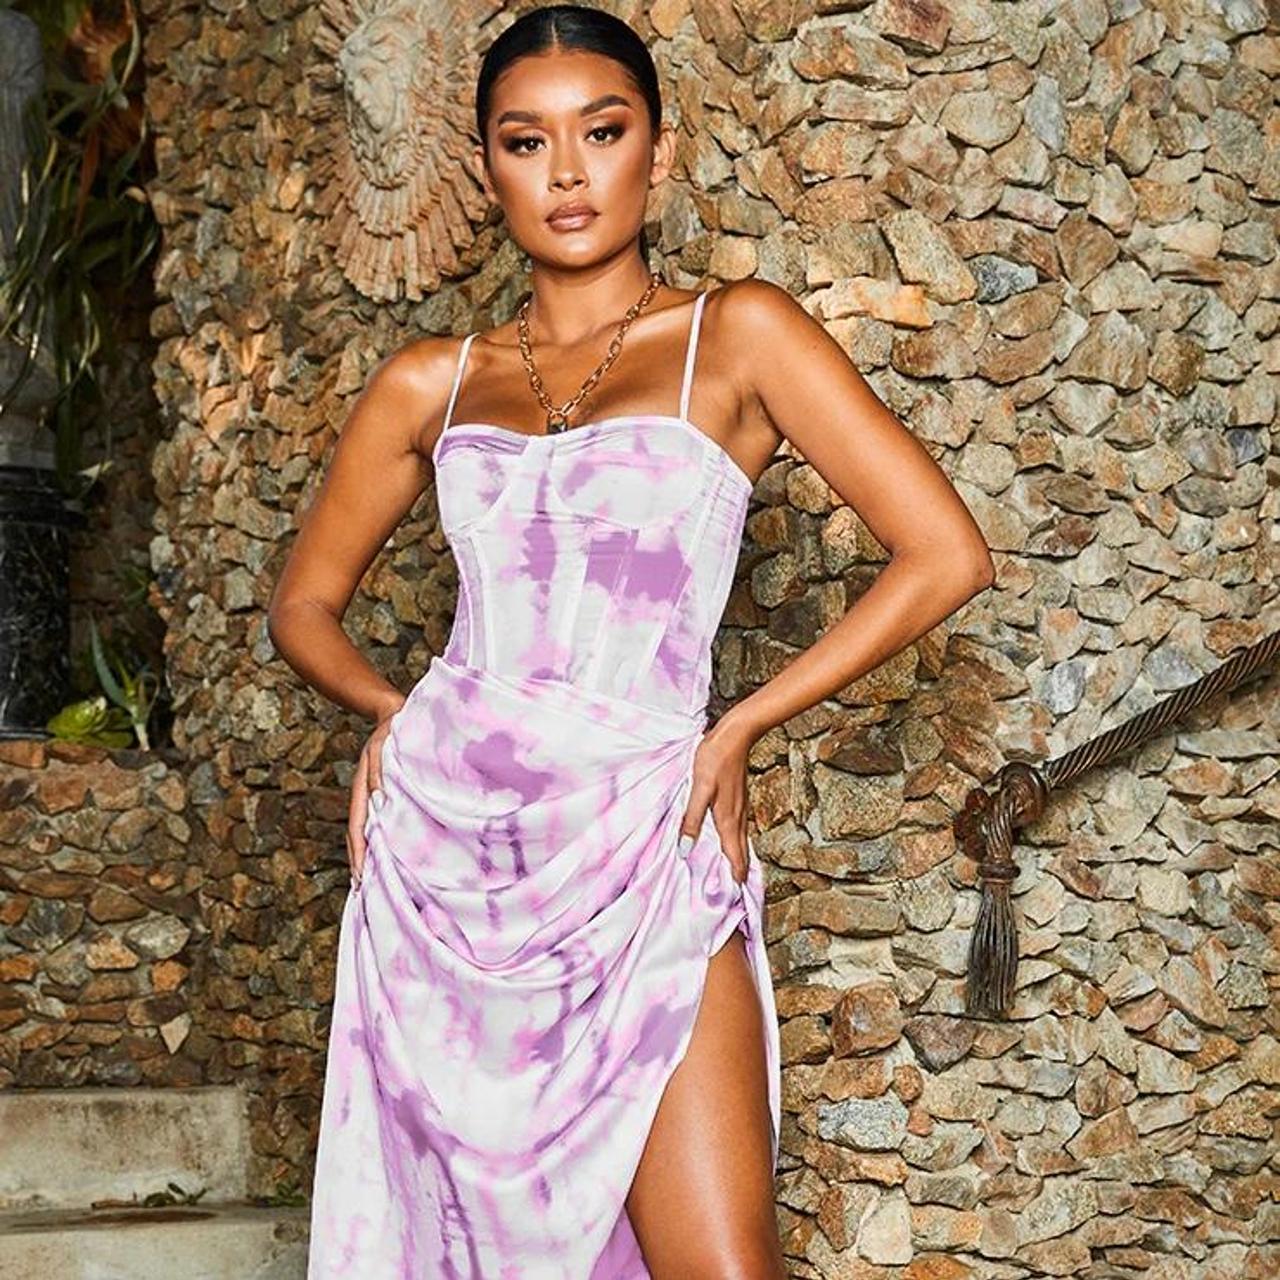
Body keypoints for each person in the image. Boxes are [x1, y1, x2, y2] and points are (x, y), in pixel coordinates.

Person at [268, 5, 995, 1277]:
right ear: (486, 167)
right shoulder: (430, 381)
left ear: (657, 151)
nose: (565, 172)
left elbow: (944, 552)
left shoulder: (738, 334)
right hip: (447, 867)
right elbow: (301, 606)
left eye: (600, 133)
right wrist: (393, 711)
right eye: (524, 141)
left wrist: (740, 724)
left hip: (644, 840)